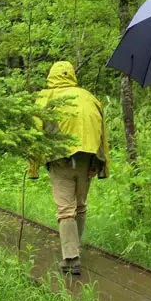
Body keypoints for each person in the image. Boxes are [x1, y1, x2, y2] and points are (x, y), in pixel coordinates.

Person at [28, 61, 109, 276]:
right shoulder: (89, 97)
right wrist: (100, 163)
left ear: (51, 75)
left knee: (66, 209)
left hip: (59, 158)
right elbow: (102, 132)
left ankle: (71, 258)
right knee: (80, 206)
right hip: (87, 159)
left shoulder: (46, 97)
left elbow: (35, 132)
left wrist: (33, 166)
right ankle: (75, 247)